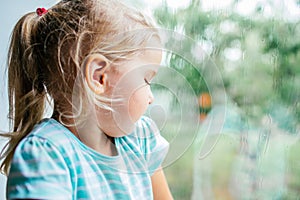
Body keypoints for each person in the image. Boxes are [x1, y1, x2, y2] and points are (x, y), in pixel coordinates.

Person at [0, 0, 173, 199]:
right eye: (146, 79)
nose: (151, 97)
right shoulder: (46, 155)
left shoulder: (140, 139)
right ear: (99, 77)